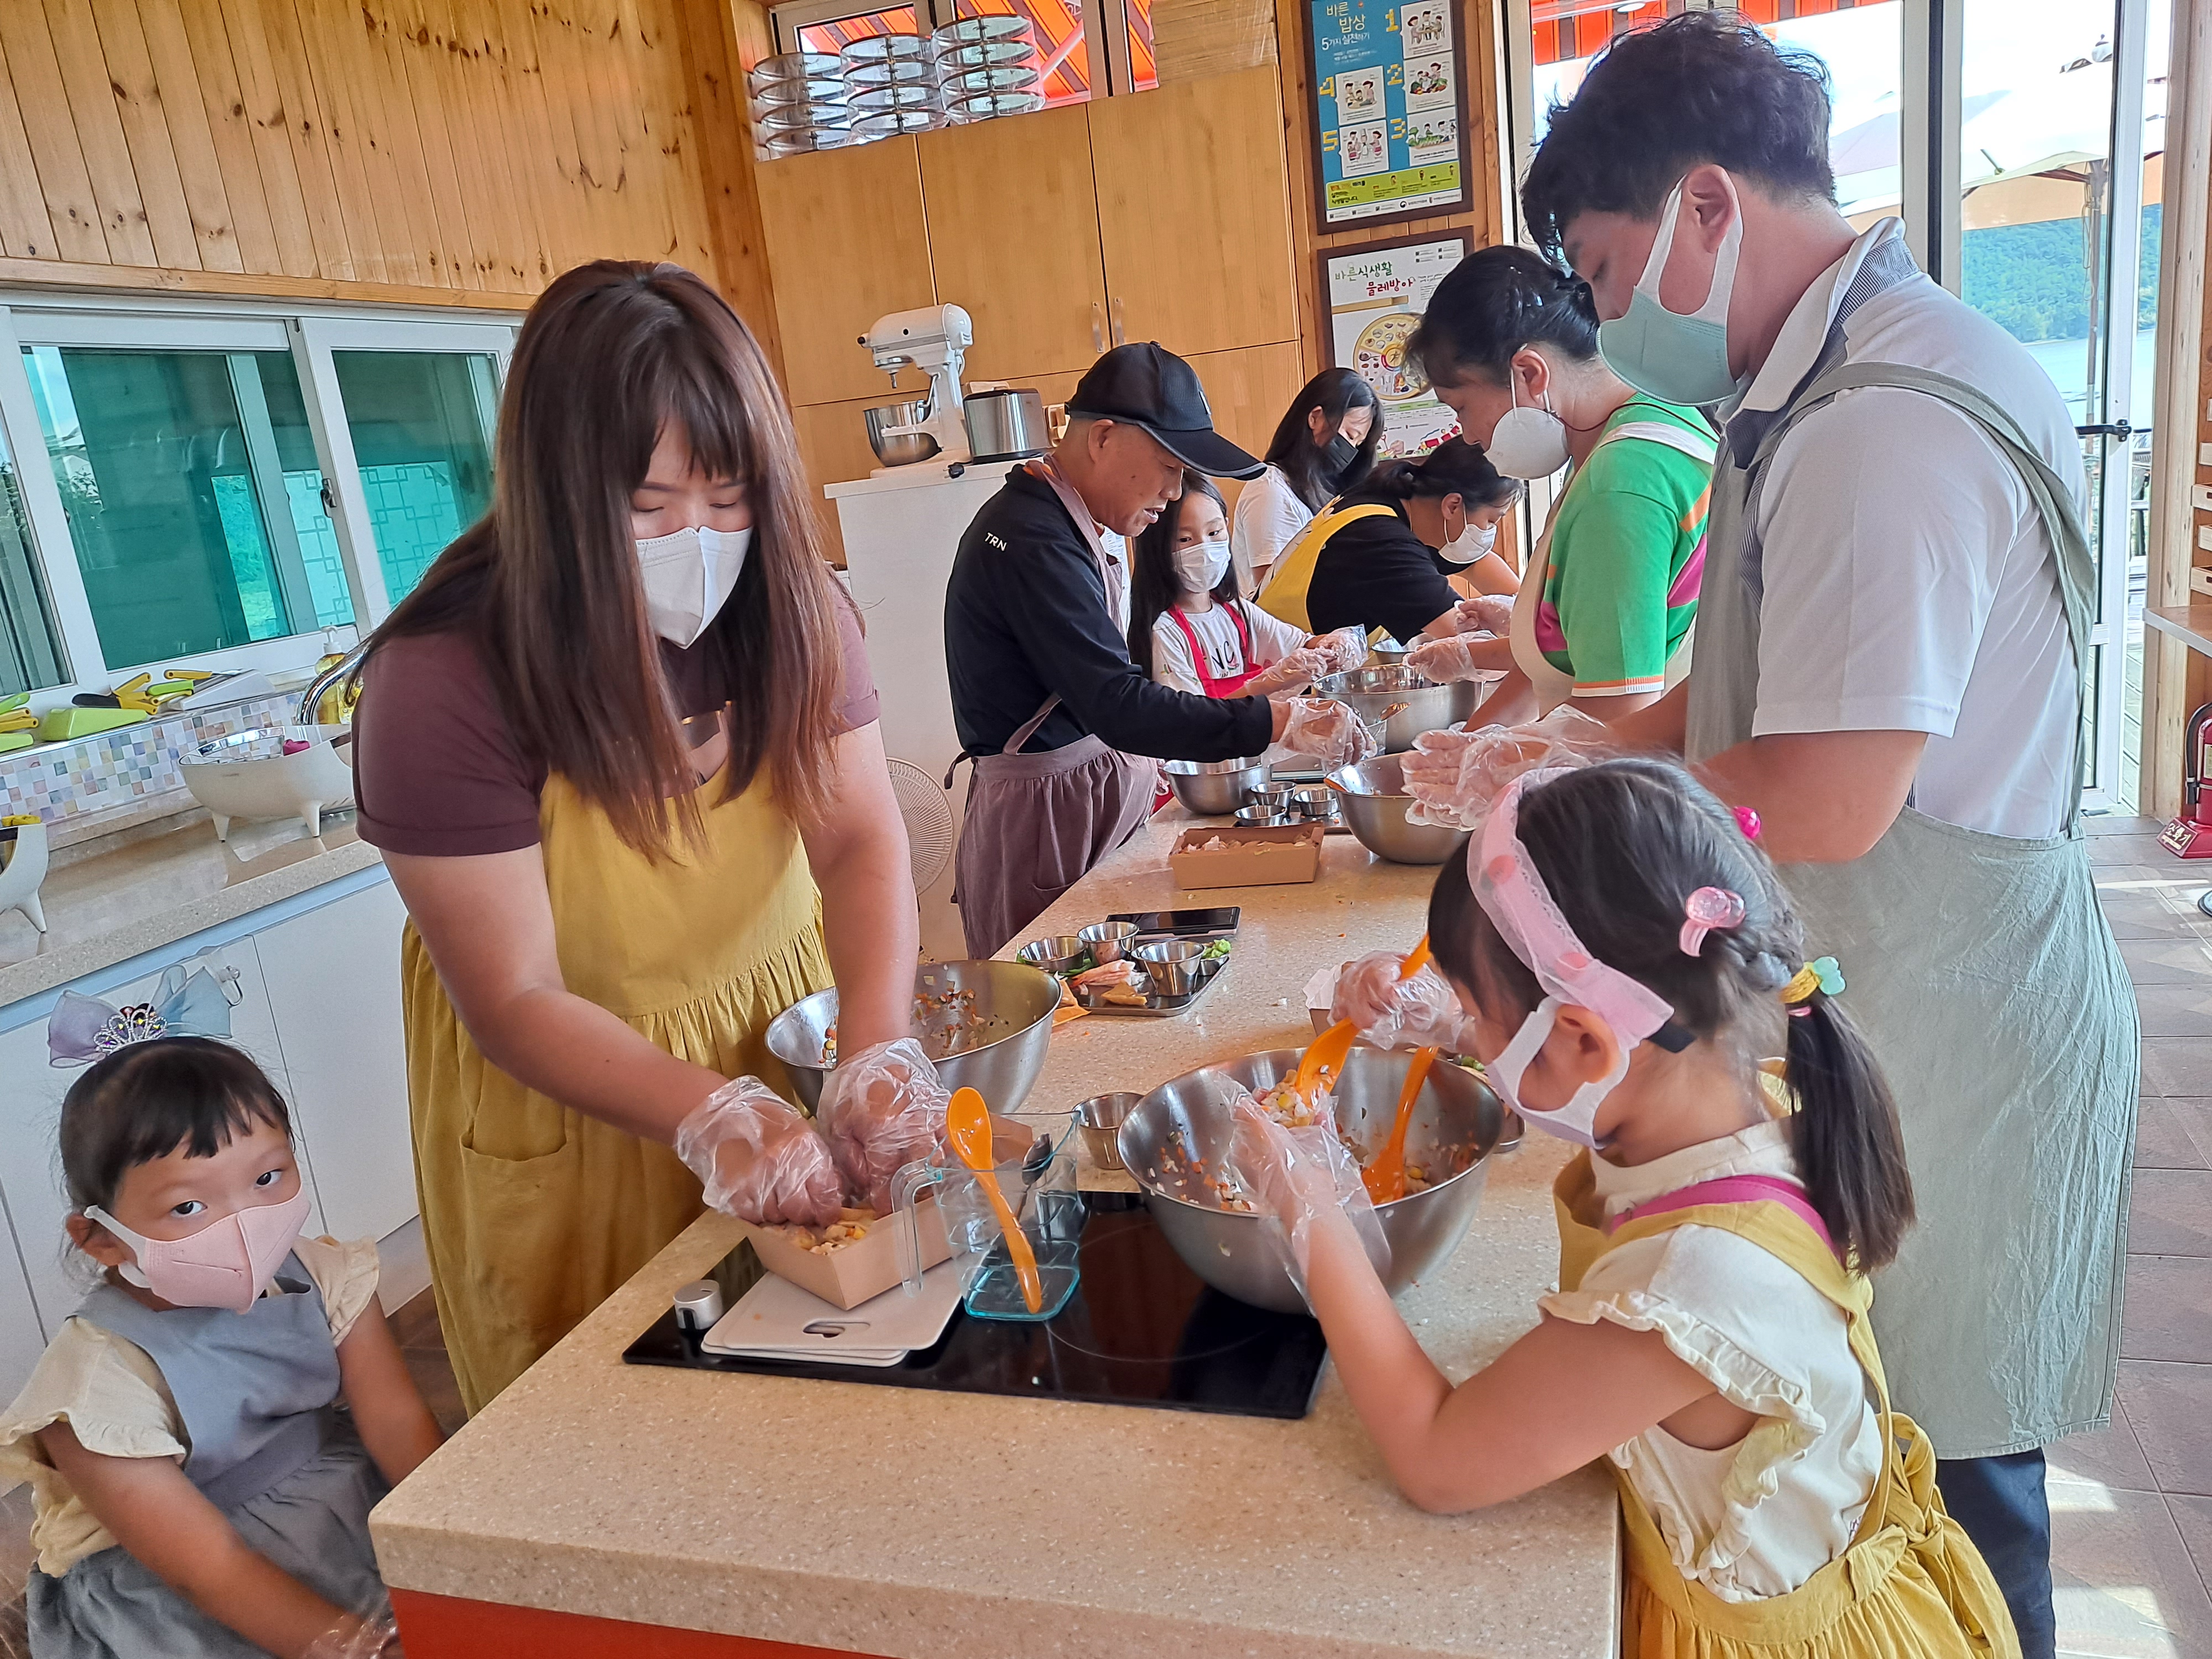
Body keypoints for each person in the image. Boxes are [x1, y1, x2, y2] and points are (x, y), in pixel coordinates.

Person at [1405, 19, 2138, 1653]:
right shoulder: (1808, 381)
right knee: (1869, 1434)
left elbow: (1821, 790)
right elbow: (1740, 693)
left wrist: (1548, 854)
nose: (1603, 320)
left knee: (1944, 1480)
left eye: (1603, 269)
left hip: (1956, 1006)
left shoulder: (1883, 422)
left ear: (1709, 207)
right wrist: (1564, 749)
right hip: (1886, 971)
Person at [1245, 760, 2018, 1658]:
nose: (1475, 1037)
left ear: (1580, 1037)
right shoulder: (1754, 1102)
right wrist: (1452, 1026)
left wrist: (1310, 1205)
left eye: (1479, 1014)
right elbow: (1586, 1084)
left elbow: (1437, 1460)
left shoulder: (1690, 1286)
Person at [353, 262, 942, 1413]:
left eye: (728, 499)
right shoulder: (443, 681)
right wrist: (709, 1112)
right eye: (645, 507)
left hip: (774, 1036)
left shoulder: (794, 606)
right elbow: (516, 996)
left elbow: (860, 841)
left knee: (829, 1392)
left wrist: (871, 1048)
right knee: (614, 1427)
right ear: (552, 488)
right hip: (570, 1092)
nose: (698, 540)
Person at [0, 1037, 445, 1659]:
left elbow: (395, 1420)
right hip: (180, 1584)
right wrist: (352, 1647)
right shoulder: (93, 1390)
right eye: (188, 1206)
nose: (245, 1223)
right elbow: (209, 1568)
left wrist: (459, 1540)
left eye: (268, 1177)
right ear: (100, 1238)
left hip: (335, 1499)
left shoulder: (322, 1275)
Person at [943, 342, 1375, 957]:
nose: (1175, 492)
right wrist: (1279, 718)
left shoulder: (1068, 522)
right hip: (1045, 816)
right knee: (1064, 1006)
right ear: (1104, 439)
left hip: (1084, 793)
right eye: (1169, 466)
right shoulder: (1031, 538)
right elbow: (1117, 703)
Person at [1401, 245, 1717, 727]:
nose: (1467, 436)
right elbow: (1570, 660)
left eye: (1461, 407)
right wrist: (1469, 744)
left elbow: (1614, 718)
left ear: (1529, 374)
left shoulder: (1620, 484)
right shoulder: (1649, 423)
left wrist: (1494, 770)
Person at [1256, 437, 1521, 645]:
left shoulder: (1393, 501)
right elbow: (1460, 637)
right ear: (1453, 506)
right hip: (1286, 680)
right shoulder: (1379, 539)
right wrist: (1530, 637)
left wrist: (1525, 608)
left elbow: (1475, 563)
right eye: (1492, 520)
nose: (1489, 531)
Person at [1126, 470, 1348, 701]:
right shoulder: (1166, 632)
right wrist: (1270, 682)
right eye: (1185, 540)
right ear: (1157, 547)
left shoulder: (1236, 612)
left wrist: (1333, 645)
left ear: (1227, 526)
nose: (1205, 549)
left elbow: (1301, 643)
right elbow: (1194, 721)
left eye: (1214, 532)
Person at [1231, 368, 1381, 594]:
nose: (1352, 450)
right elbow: (1275, 593)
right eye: (1350, 435)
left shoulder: (1320, 491)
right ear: (1315, 418)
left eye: (1359, 444)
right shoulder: (1270, 490)